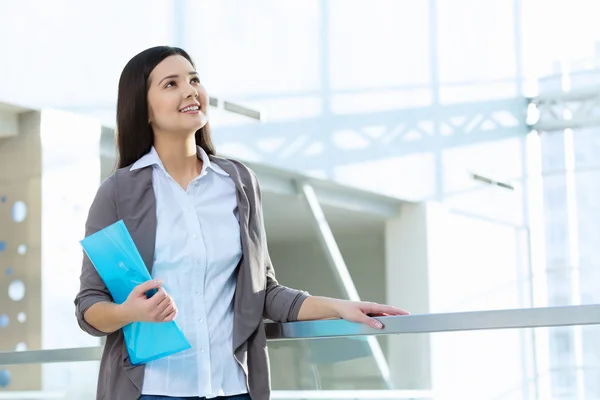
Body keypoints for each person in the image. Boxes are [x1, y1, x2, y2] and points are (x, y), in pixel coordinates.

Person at [74, 46, 409, 400]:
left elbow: (261, 292)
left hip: (233, 389)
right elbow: (89, 306)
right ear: (143, 109)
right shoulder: (117, 193)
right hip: (152, 390)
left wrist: (339, 308)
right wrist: (129, 311)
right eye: (171, 84)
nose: (190, 90)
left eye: (194, 79)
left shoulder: (238, 182)